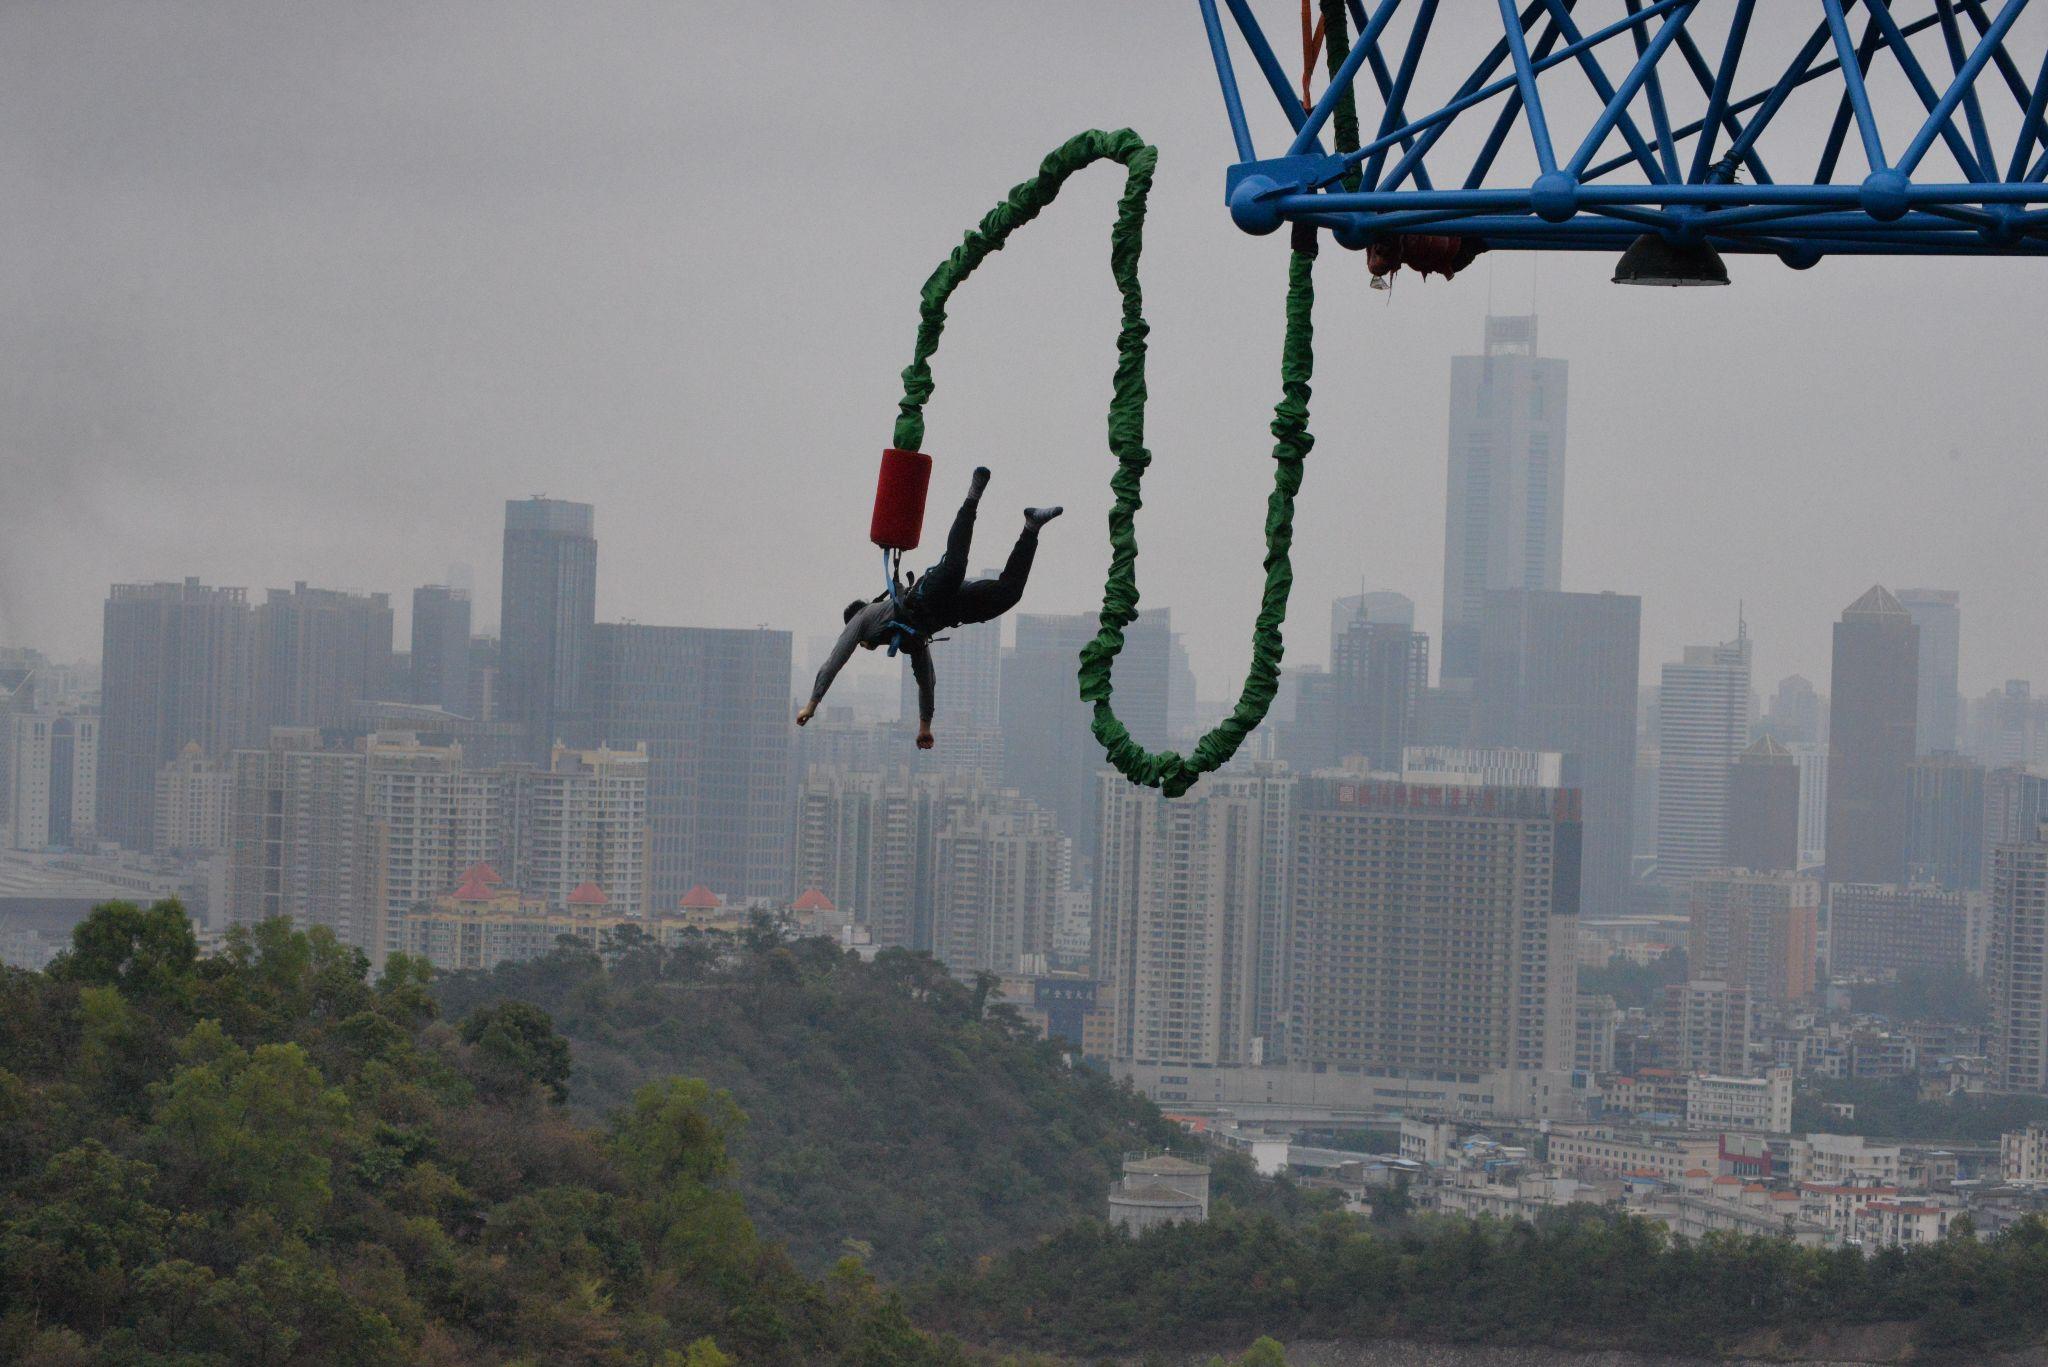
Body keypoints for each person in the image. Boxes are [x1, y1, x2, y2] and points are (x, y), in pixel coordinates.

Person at [798, 466, 1061, 748]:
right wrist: (925, 728)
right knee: (1009, 594)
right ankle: (1031, 527)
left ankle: (972, 497)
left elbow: (834, 661)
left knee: (955, 567)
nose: (864, 646)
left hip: (928, 594)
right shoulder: (909, 638)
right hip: (954, 609)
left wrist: (812, 705)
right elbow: (926, 680)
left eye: (861, 644)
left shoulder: (864, 618)